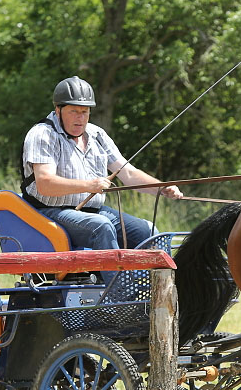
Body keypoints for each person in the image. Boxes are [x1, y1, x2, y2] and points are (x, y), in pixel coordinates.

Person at [21, 75, 183, 285]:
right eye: (74, 111)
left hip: (93, 210)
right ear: (58, 109)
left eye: (85, 112)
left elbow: (129, 174)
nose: (80, 118)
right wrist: (90, 185)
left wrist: (161, 188)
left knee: (148, 231)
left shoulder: (97, 135)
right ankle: (119, 295)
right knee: (101, 226)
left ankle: (159, 290)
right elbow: (45, 184)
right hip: (50, 213)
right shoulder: (43, 134)